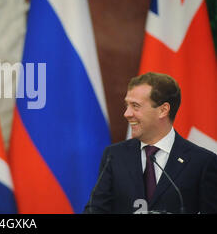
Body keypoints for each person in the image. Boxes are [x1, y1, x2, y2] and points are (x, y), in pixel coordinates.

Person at [84, 72, 217, 214]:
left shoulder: (202, 162)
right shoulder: (114, 156)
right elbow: (95, 209)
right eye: (127, 105)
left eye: (135, 106)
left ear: (163, 110)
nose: (127, 113)